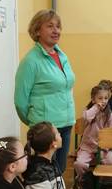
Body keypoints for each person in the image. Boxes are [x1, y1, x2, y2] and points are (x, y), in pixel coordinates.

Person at [14, 10, 75, 174]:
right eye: (50, 26)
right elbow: (20, 101)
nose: (56, 30)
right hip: (45, 130)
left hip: (66, 124)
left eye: (58, 26)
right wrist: (36, 123)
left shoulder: (62, 56)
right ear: (37, 30)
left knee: (59, 171)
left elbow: (66, 87)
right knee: (43, 173)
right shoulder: (30, 61)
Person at [73, 85, 112, 181]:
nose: (103, 101)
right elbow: (86, 118)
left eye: (106, 98)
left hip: (103, 148)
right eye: (100, 98)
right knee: (79, 164)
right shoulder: (88, 111)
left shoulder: (110, 116)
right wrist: (96, 107)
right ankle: (85, 179)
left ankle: (102, 182)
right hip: (87, 147)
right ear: (93, 100)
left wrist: (106, 148)